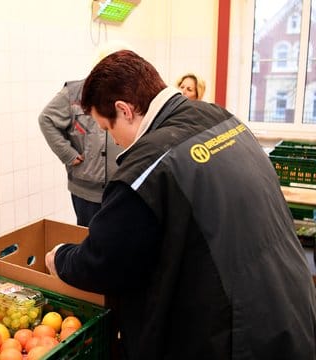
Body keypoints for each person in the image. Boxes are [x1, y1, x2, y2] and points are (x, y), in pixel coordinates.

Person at [45, 50, 316, 359]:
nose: (115, 141)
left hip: (241, 338)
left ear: (125, 110)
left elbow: (103, 262)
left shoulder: (146, 169)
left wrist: (61, 258)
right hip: (291, 307)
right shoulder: (221, 118)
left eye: (107, 129)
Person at [39, 79, 122, 226]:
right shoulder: (74, 92)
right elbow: (46, 119)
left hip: (122, 187)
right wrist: (67, 153)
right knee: (89, 239)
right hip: (87, 190)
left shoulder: (130, 89)